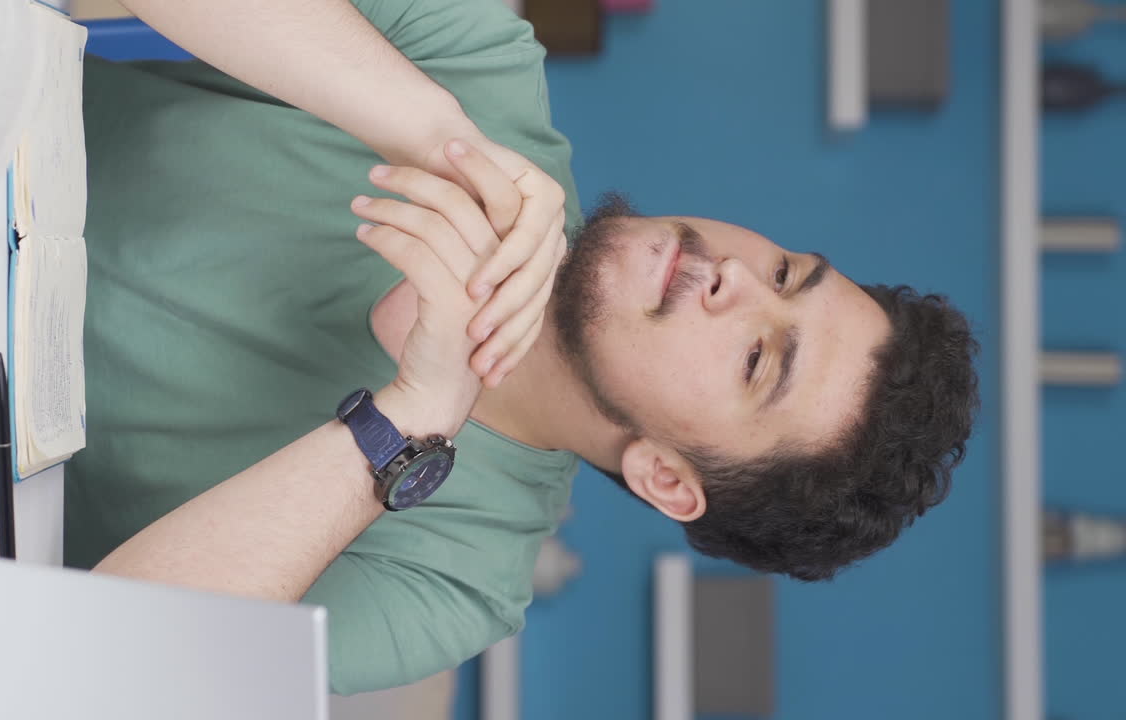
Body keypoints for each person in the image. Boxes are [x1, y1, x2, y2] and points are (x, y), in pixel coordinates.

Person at [68, 0, 980, 696]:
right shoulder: (487, 70)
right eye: (784, 273)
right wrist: (435, 134)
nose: (732, 281)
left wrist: (409, 419)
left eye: (757, 360)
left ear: (666, 477)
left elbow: (96, 658)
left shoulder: (459, 586)